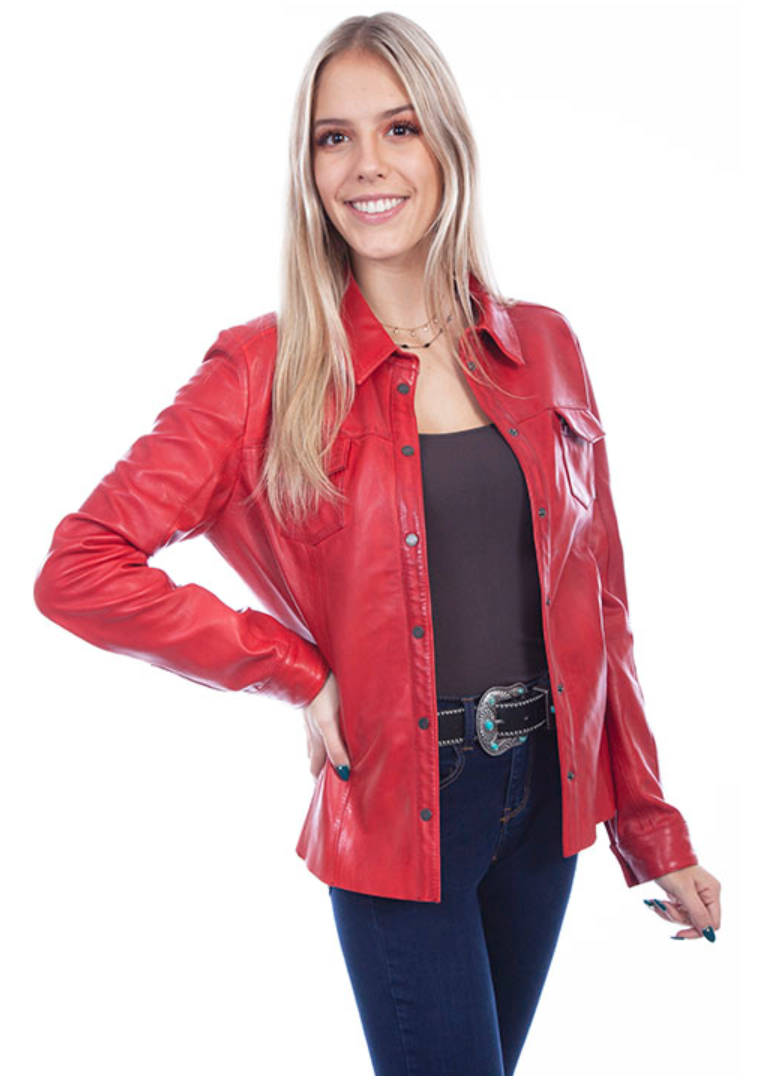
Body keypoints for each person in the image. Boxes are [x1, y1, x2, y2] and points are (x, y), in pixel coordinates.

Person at [33, 11, 722, 1076]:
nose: (367, 165)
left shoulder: (544, 345)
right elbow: (81, 566)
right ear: (307, 170)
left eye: (399, 128)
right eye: (333, 137)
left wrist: (650, 826)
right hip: (399, 805)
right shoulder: (262, 370)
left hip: (547, 800)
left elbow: (603, 608)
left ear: (447, 144)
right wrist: (293, 668)